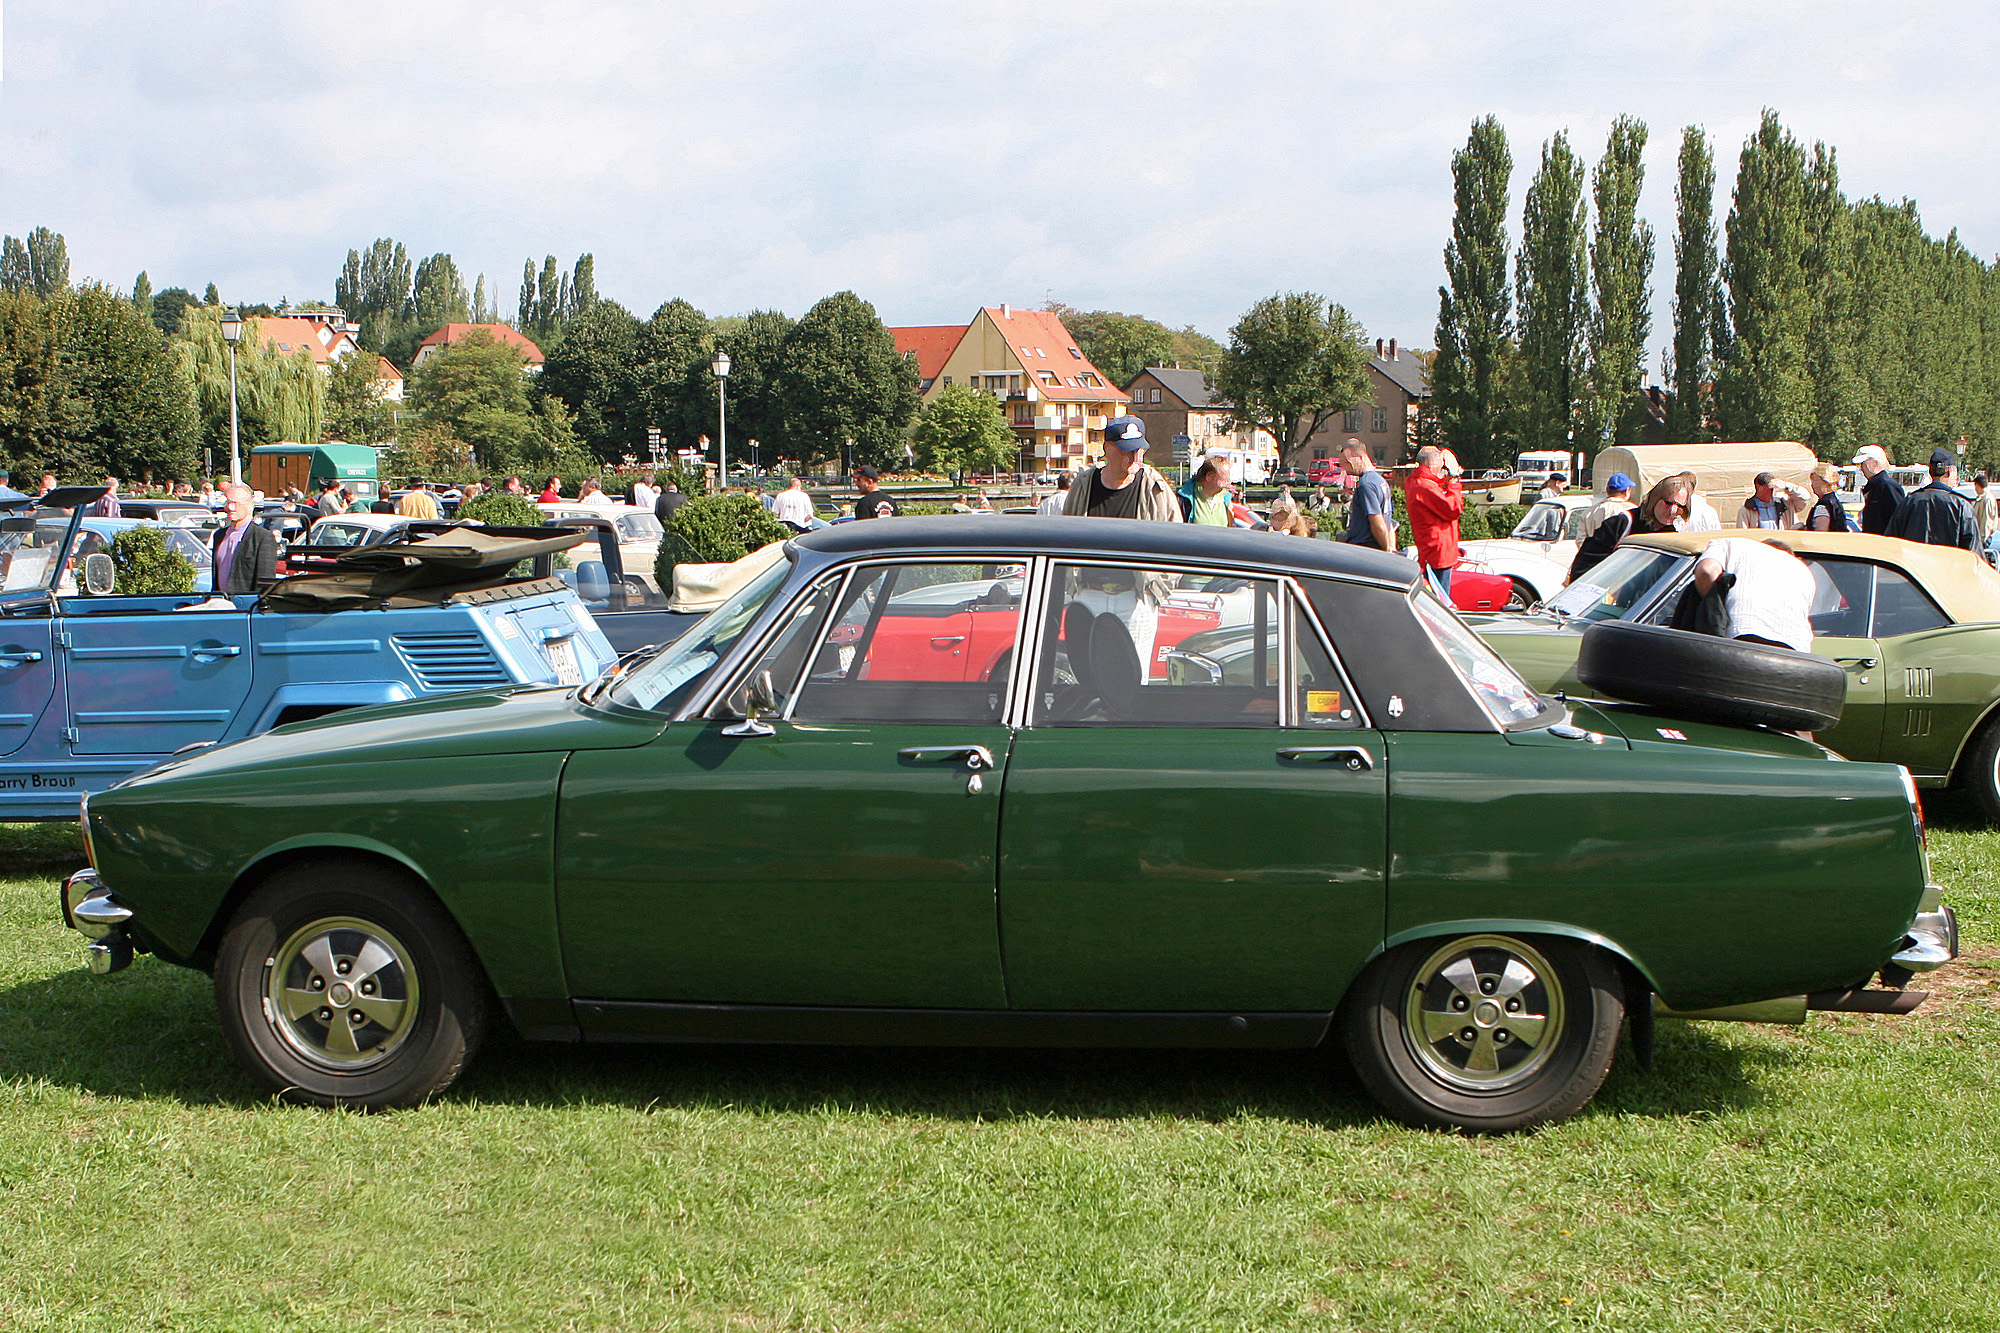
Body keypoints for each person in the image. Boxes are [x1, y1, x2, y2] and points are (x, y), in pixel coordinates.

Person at [1690, 537, 1815, 651]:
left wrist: (1714, 611)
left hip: (1743, 636)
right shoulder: (1805, 571)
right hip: (1796, 651)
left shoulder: (1728, 543)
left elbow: (1707, 571)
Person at [1568, 475, 1690, 581]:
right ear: (1655, 499)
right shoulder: (1622, 523)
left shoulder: (1671, 534)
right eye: (1668, 503)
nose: (1673, 511)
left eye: (1680, 506)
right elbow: (1583, 567)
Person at [1060, 416, 1182, 521]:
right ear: (1106, 448)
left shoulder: (1155, 488)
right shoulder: (1083, 486)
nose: (1135, 457)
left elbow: (1176, 535)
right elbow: (1067, 531)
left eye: (1139, 450)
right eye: (1127, 450)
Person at [1887, 447, 1979, 550]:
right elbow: (1973, 551)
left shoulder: (1908, 502)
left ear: (1931, 472)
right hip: (1948, 564)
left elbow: (1891, 543)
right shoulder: (1961, 505)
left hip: (1913, 564)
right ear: (1950, 472)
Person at [1405, 446, 1466, 599]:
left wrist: (1444, 458)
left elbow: (1435, 485)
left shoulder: (1415, 482)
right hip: (1438, 554)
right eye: (1440, 464)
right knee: (1442, 601)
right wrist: (1453, 479)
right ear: (1432, 465)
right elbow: (1454, 508)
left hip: (1432, 552)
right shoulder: (1425, 486)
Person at [210, 484, 279, 596]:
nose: (231, 507)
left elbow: (265, 583)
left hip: (245, 608)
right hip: (221, 605)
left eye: (235, 503)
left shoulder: (262, 537)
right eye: (228, 502)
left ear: (250, 505)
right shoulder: (219, 535)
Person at [1337, 437, 1393, 551]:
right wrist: (1391, 547)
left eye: (1347, 463)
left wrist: (1387, 551)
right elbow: (1389, 522)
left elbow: (1378, 523)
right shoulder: (1381, 481)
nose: (1344, 469)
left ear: (1359, 458)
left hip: (1365, 549)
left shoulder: (1366, 484)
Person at [1853, 445, 1901, 535]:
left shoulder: (1886, 486)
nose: (1861, 468)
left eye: (1863, 464)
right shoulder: (1877, 486)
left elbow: (1899, 518)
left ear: (1874, 463)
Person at [1736, 472, 1810, 529]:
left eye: (1771, 487)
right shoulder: (1747, 509)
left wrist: (1786, 485)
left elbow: (1805, 496)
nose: (1769, 491)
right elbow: (1743, 533)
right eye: (1766, 487)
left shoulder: (1784, 503)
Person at [1582, 472, 1636, 538]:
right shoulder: (1633, 511)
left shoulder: (1589, 512)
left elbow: (1581, 539)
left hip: (1595, 547)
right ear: (1627, 491)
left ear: (1607, 490)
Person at [1183, 456, 1234, 526]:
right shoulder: (1185, 500)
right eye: (1224, 475)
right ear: (1209, 476)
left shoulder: (1226, 499)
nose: (1229, 480)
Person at [1807, 462, 1856, 532]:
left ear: (1824, 482)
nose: (1812, 485)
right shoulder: (1834, 501)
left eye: (1814, 480)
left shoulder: (1823, 506)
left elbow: (1821, 533)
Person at [1974, 473, 1998, 549]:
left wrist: (1982, 540)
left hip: (1984, 538)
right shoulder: (1981, 497)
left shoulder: (1987, 499)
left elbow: (1986, 521)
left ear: (1977, 485)